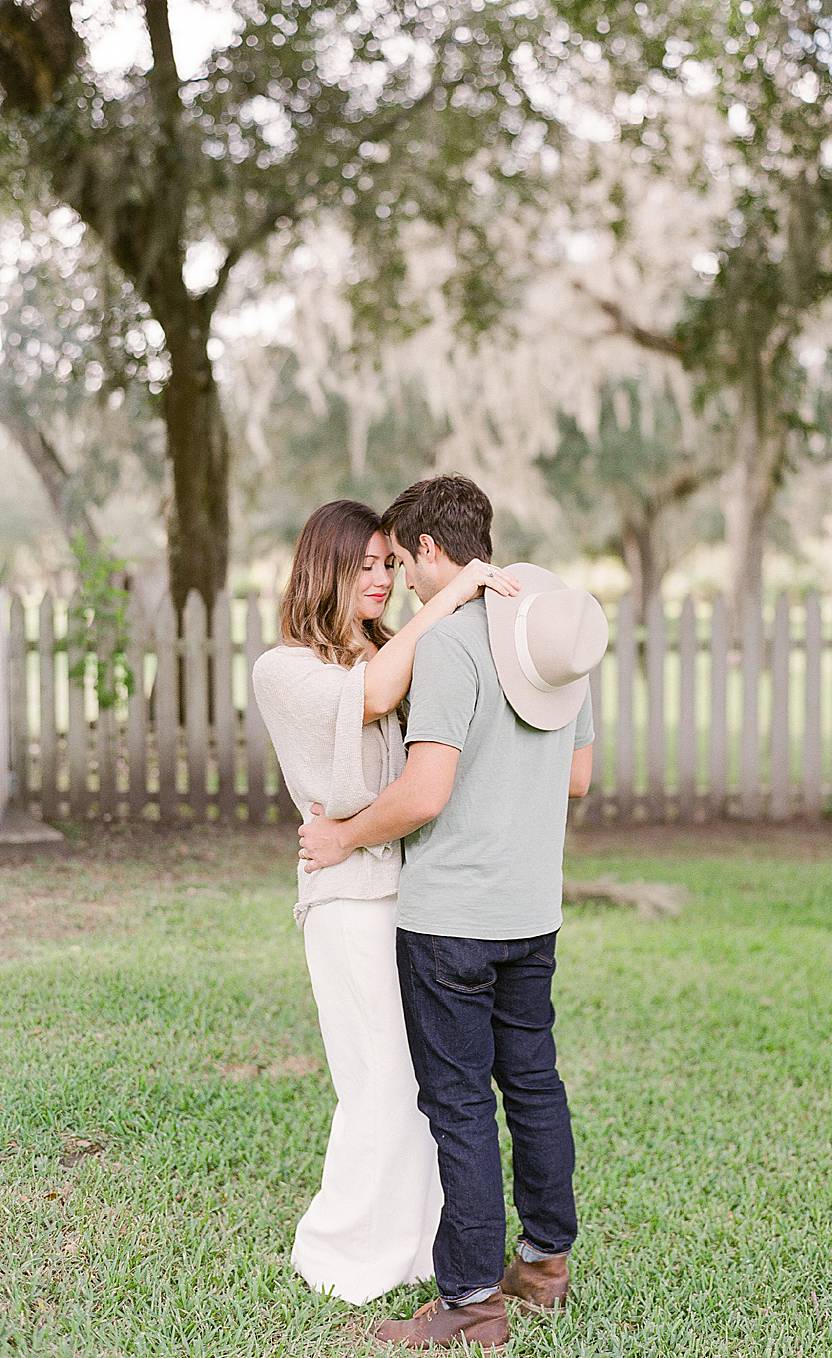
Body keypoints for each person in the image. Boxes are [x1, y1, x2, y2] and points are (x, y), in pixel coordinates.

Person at [297, 474, 605, 1353]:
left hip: (451, 920)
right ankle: (544, 1265)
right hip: (532, 910)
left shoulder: (453, 644)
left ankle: (469, 1303)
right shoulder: (550, 629)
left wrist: (346, 835)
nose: (398, 577)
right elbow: (577, 778)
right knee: (534, 1081)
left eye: (399, 558)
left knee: (461, 1103)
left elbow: (425, 792)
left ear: (430, 551)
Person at [250, 499, 518, 1304]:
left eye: (387, 563)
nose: (381, 578)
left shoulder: (385, 648)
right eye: (363, 564)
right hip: (347, 897)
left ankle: (414, 1248)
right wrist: (454, 592)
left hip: (411, 890)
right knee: (378, 1080)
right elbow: (367, 697)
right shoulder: (284, 667)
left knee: (421, 1082)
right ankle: (341, 1253)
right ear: (321, 568)